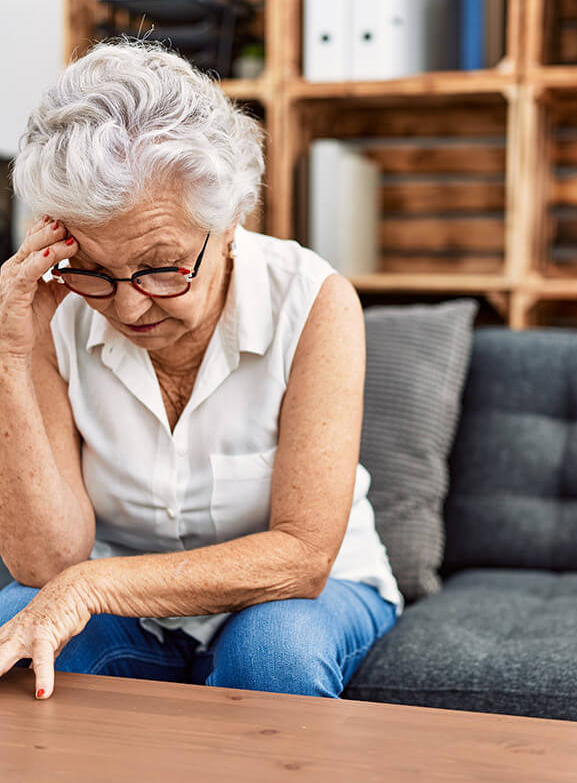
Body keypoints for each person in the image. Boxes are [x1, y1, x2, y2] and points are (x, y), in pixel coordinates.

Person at [0, 38, 403, 701]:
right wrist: (12, 355)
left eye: (161, 265)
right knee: (25, 630)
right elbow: (47, 564)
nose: (128, 305)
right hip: (121, 604)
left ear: (232, 219)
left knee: (273, 654)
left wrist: (93, 585)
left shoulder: (314, 301)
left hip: (296, 596)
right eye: (96, 270)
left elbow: (301, 558)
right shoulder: (54, 310)